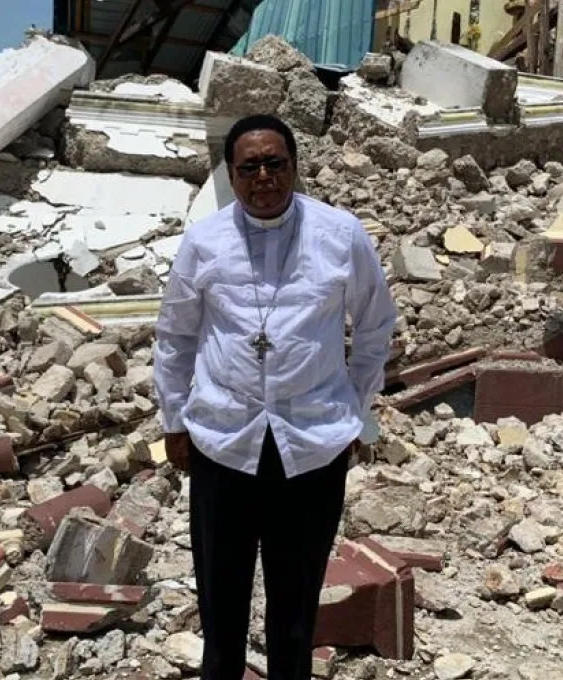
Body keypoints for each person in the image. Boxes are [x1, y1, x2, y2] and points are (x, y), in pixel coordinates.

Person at [152, 113, 398, 680]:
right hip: (223, 443)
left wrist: (354, 410)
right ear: (232, 175)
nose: (264, 178)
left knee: (295, 611)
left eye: (275, 163)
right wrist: (174, 421)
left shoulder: (340, 235)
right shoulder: (204, 240)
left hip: (312, 444)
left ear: (294, 166)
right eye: (249, 167)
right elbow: (176, 335)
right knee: (221, 612)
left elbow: (375, 325)